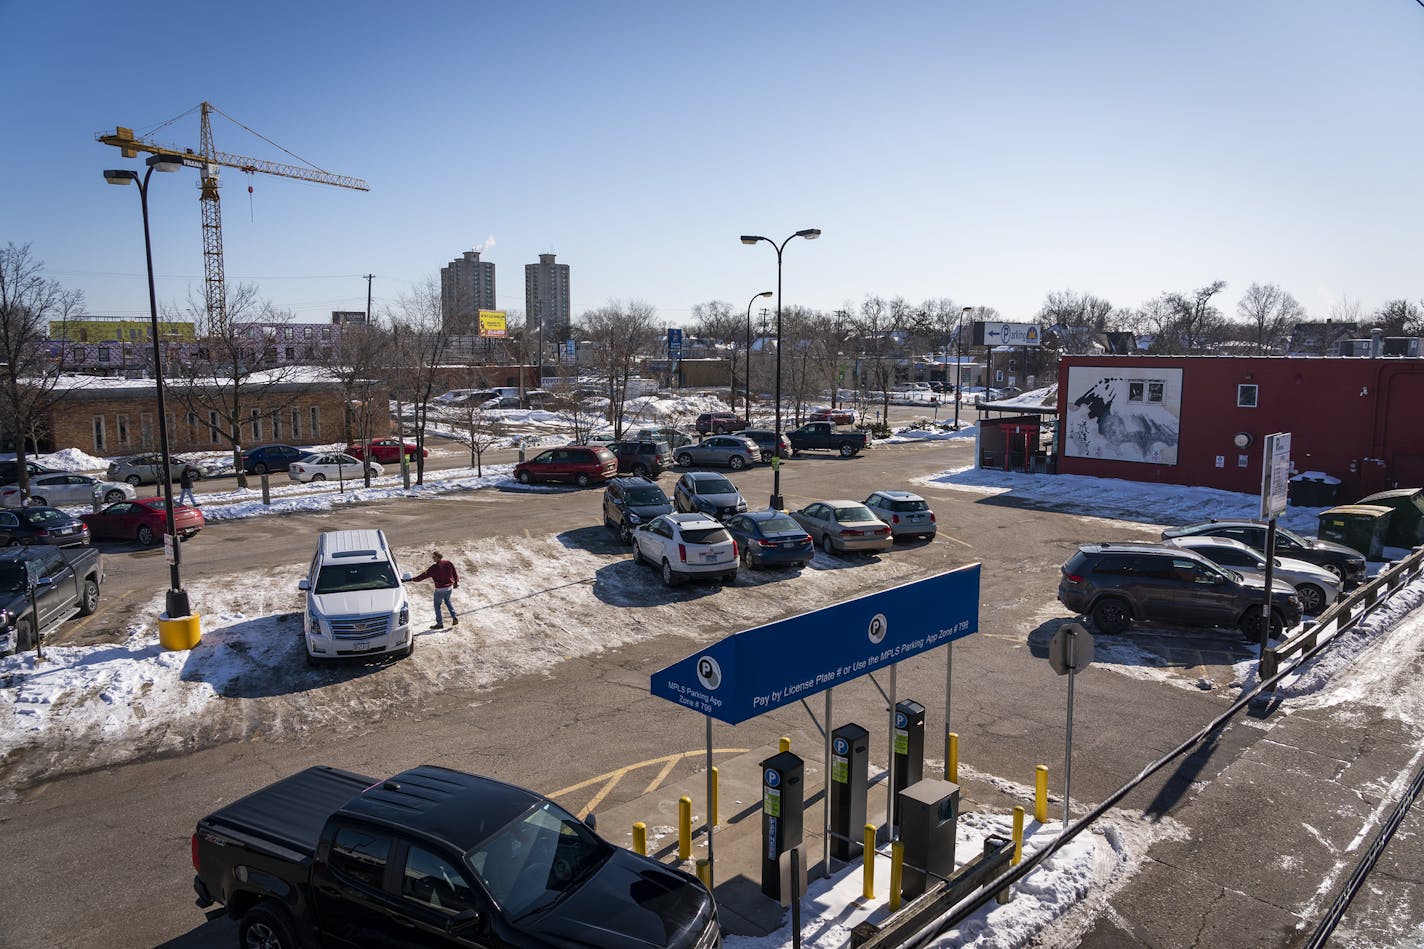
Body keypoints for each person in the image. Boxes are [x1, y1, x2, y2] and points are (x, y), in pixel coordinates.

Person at [410, 550, 459, 629]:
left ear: (438, 557)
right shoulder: (448, 563)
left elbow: (423, 576)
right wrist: (456, 582)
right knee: (448, 601)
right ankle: (454, 617)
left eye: (434, 557)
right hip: (449, 588)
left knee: (437, 606)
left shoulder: (434, 567)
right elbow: (454, 573)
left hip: (440, 590)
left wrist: (413, 579)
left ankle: (439, 624)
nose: (432, 558)